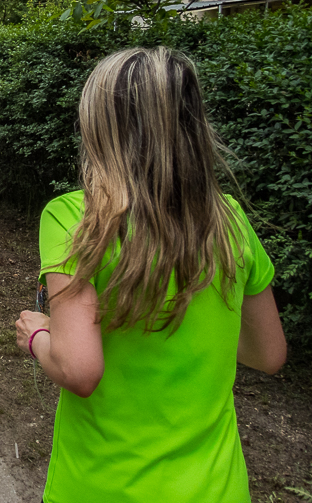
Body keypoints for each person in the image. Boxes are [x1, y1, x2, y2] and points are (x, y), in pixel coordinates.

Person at [15, 47, 287, 503]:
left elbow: (79, 369)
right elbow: (269, 354)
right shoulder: (231, 220)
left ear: (101, 126)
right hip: (217, 489)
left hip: (102, 487)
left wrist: (36, 335)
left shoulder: (74, 219)